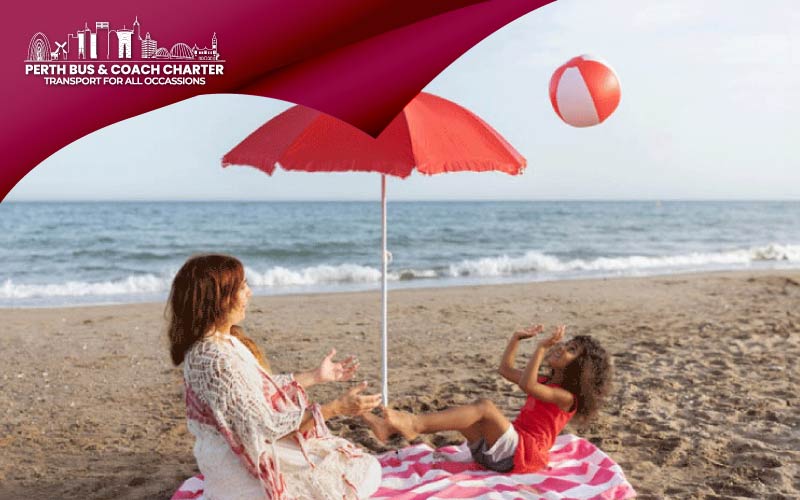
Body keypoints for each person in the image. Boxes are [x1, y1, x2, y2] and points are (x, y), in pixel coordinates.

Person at [167, 254, 382, 500]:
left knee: (346, 457)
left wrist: (316, 375)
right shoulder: (215, 358)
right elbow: (266, 428)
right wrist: (336, 408)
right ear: (218, 299)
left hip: (232, 459)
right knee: (365, 470)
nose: (249, 293)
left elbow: (254, 391)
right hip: (240, 476)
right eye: (241, 287)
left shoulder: (220, 344)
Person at [363, 324, 613, 474]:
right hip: (495, 455)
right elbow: (505, 370)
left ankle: (413, 424)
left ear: (581, 369)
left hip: (524, 456)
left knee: (485, 407)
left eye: (570, 350)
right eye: (566, 344)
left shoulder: (566, 398)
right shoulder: (546, 382)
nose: (562, 348)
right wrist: (515, 339)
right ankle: (389, 429)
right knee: (463, 414)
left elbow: (528, 384)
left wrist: (541, 348)